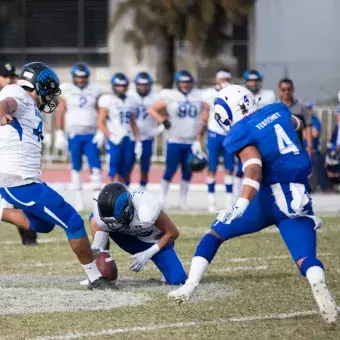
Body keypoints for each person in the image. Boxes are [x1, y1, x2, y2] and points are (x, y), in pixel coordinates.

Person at [168, 85, 337, 323]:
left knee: (216, 232)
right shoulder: (278, 110)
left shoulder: (241, 131)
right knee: (305, 260)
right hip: (298, 197)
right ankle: (317, 282)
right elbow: (294, 124)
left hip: (268, 197)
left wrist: (241, 205)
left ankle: (190, 285)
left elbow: (254, 169)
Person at [0, 62, 115, 290]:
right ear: (36, 86)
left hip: (24, 179)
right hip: (19, 180)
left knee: (42, 225)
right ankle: (95, 278)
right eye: (48, 89)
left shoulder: (31, 107)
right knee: (72, 221)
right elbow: (6, 103)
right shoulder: (17, 93)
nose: (50, 95)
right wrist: (2, 113)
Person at [88, 182, 187, 285]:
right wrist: (99, 249)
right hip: (126, 238)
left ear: (129, 209)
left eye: (118, 220)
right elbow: (99, 224)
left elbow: (173, 233)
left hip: (153, 241)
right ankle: (103, 270)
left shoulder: (146, 208)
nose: (113, 225)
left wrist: (148, 253)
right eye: (110, 222)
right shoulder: (102, 215)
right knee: (95, 220)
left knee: (178, 280)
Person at [147, 70, 205, 209]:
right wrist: (163, 120)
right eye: (182, 82)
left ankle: (183, 200)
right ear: (177, 83)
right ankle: (161, 199)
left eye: (187, 82)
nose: (185, 85)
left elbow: (204, 117)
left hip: (191, 141)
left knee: (188, 171)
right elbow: (152, 109)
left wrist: (198, 139)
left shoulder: (198, 96)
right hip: (174, 140)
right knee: (170, 170)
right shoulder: (170, 95)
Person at [55, 62, 103, 211]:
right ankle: (78, 200)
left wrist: (101, 130)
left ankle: (97, 202)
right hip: (74, 133)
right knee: (76, 167)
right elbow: (60, 111)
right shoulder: (66, 89)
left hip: (91, 133)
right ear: (74, 77)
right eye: (78, 77)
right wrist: (59, 132)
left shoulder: (95, 89)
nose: (81, 80)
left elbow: (100, 110)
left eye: (83, 77)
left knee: (96, 168)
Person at [0, 62, 38, 246]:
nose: (9, 79)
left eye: (11, 76)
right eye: (5, 76)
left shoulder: (19, 96)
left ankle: (29, 238)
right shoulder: (11, 95)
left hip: (12, 156)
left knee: (21, 196)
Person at [97, 73, 141, 184]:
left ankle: (123, 193)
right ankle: (111, 193)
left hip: (128, 138)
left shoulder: (131, 100)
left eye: (123, 85)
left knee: (126, 169)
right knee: (113, 168)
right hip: (115, 139)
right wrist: (110, 136)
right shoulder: (107, 99)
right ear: (113, 86)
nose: (121, 88)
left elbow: (133, 123)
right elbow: (100, 122)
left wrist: (138, 141)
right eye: (118, 85)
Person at [201, 69, 235, 213]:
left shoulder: (234, 93)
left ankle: (229, 202)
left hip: (228, 134)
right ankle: (212, 201)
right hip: (214, 133)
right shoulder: (209, 94)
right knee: (212, 168)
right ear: (216, 80)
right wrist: (199, 136)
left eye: (226, 78)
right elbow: (204, 115)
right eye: (221, 79)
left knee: (229, 168)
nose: (223, 81)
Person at [127, 72, 164, 190]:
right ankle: (125, 190)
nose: (143, 87)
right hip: (131, 137)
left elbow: (164, 112)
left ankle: (143, 190)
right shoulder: (130, 96)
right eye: (141, 84)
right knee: (127, 166)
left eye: (146, 85)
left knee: (145, 167)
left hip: (148, 137)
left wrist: (160, 127)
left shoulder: (155, 97)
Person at [278, 78, 313, 157]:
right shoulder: (275, 108)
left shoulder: (301, 108)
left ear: (293, 90)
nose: (286, 92)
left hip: (298, 148)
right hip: (279, 151)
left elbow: (308, 126)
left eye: (289, 89)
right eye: (283, 89)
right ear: (279, 90)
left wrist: (309, 146)